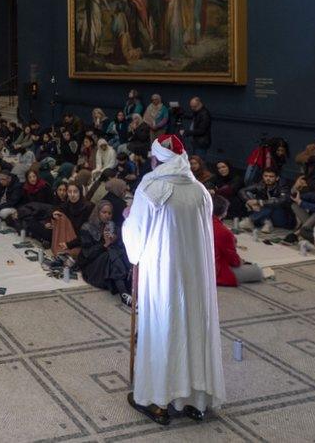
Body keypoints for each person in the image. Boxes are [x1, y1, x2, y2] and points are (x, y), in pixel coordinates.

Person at [122, 134, 225, 425]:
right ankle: (194, 400)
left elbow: (135, 239)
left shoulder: (152, 186)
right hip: (197, 277)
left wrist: (128, 217)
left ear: (156, 160)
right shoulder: (200, 190)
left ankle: (157, 401)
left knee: (163, 330)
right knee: (193, 330)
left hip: (163, 275)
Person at [77, 200, 133, 305]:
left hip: (111, 265)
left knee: (116, 254)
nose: (107, 215)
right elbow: (87, 254)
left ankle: (126, 291)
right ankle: (124, 293)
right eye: (104, 212)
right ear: (98, 212)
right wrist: (105, 244)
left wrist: (116, 240)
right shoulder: (87, 228)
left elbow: (123, 249)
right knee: (110, 255)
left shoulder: (113, 227)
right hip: (93, 266)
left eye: (109, 213)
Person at [211, 195, 264, 286]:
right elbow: (234, 261)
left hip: (197, 266)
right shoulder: (224, 232)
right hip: (215, 270)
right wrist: (240, 261)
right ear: (224, 213)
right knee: (258, 271)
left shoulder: (198, 223)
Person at [238, 167, 291, 233]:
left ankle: (250, 220)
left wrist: (259, 202)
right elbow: (242, 191)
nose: (268, 178)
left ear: (277, 178)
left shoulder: (283, 186)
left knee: (272, 201)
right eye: (265, 176)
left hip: (281, 218)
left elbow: (283, 200)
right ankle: (267, 223)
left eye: (271, 176)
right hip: (264, 213)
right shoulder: (261, 184)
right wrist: (249, 202)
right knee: (249, 194)